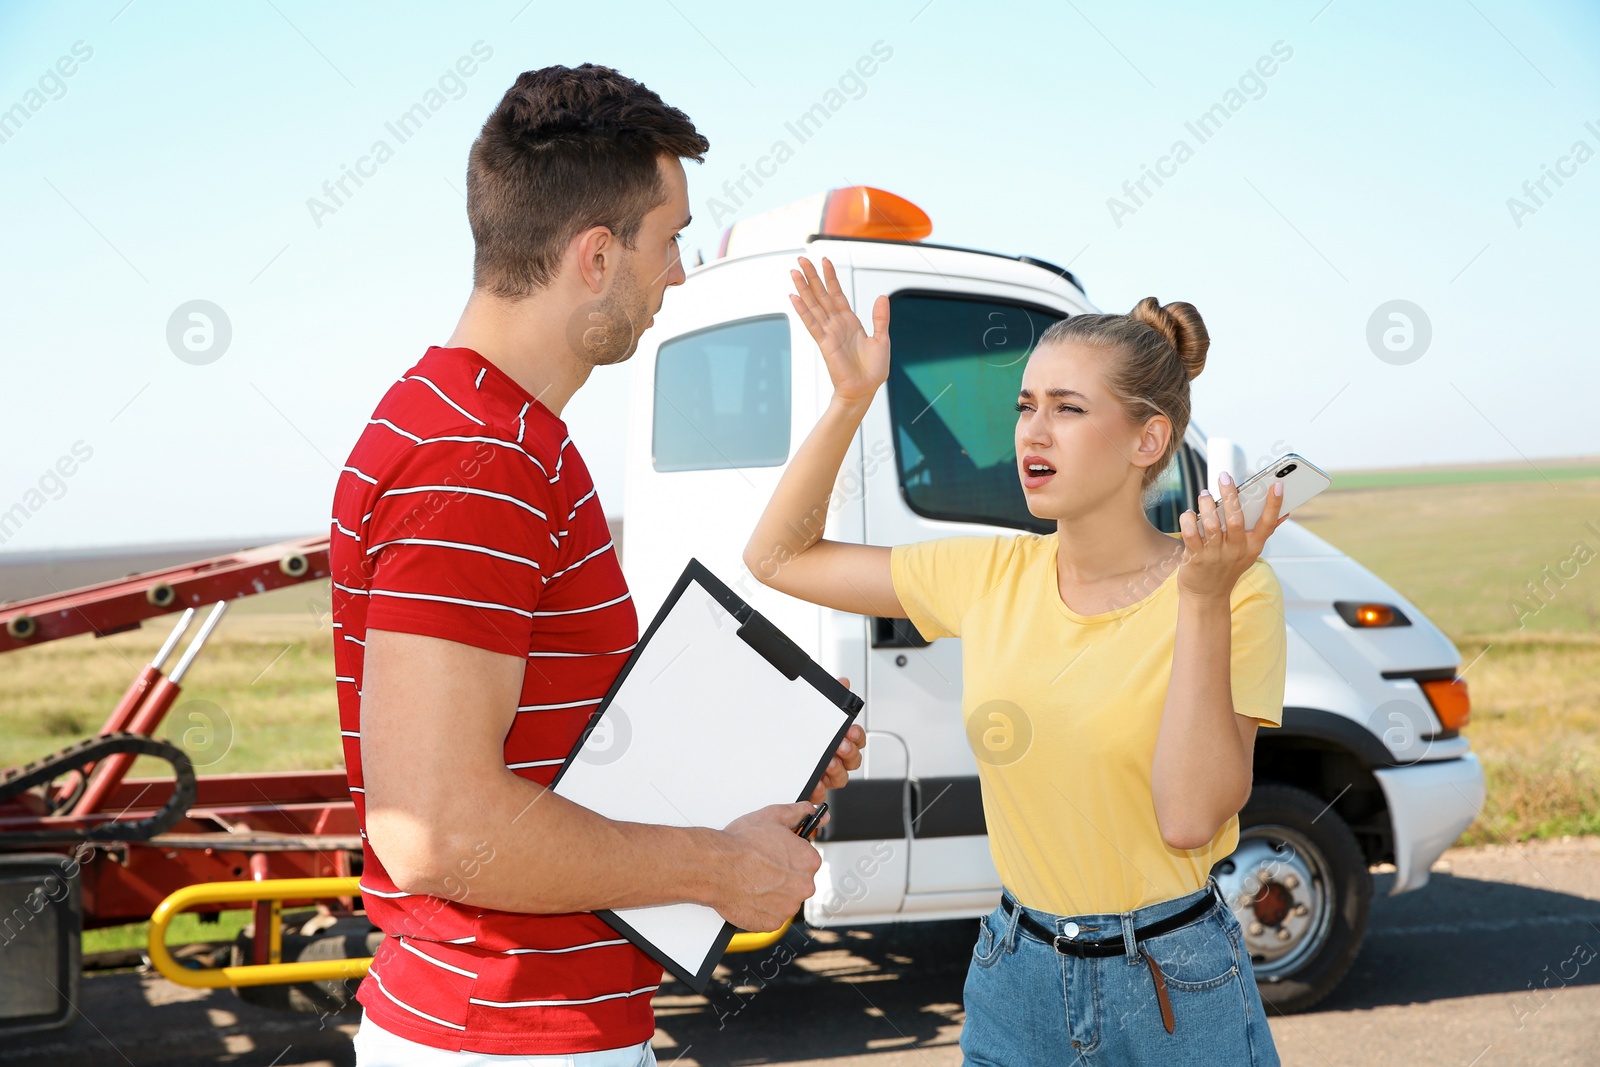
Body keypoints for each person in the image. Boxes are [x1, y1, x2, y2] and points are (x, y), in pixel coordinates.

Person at [330, 67, 865, 1065]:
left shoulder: (495, 434)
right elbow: (437, 828)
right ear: (594, 255)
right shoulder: (477, 460)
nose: (677, 274)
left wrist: (751, 751)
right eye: (671, 240)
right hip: (506, 1032)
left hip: (525, 1025)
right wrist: (718, 866)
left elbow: (545, 743)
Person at [744, 256, 1291, 1065]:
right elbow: (777, 556)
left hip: (1174, 981)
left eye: (1068, 409)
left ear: (1150, 438)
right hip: (1017, 972)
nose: (1032, 431)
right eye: (1025, 405)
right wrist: (852, 398)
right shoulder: (989, 574)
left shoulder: (1233, 590)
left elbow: (1187, 817)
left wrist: (1203, 600)